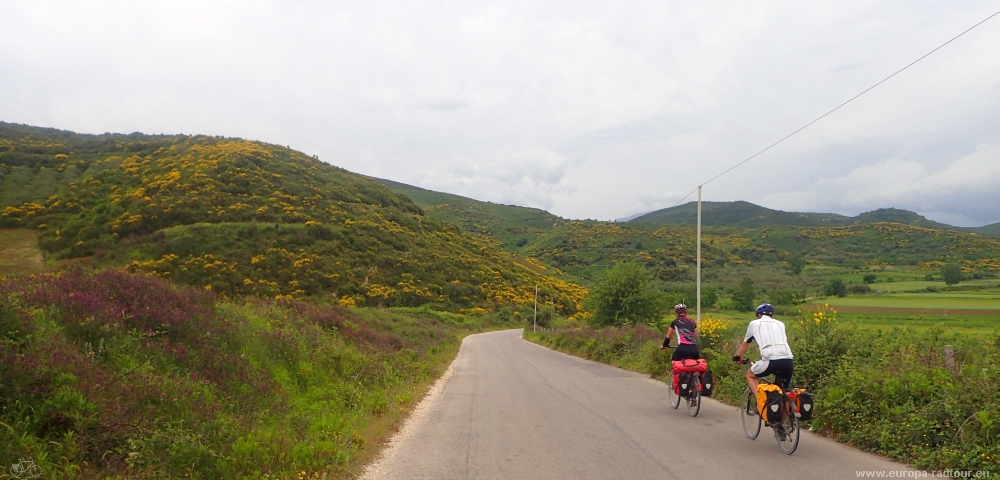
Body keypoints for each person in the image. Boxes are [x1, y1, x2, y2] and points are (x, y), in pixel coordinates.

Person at [732, 303, 794, 392]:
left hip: (770, 361)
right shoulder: (781, 324)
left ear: (759, 315)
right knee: (784, 391)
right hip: (788, 361)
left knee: (750, 375)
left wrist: (737, 357)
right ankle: (787, 405)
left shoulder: (754, 324)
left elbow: (745, 344)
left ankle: (761, 402)